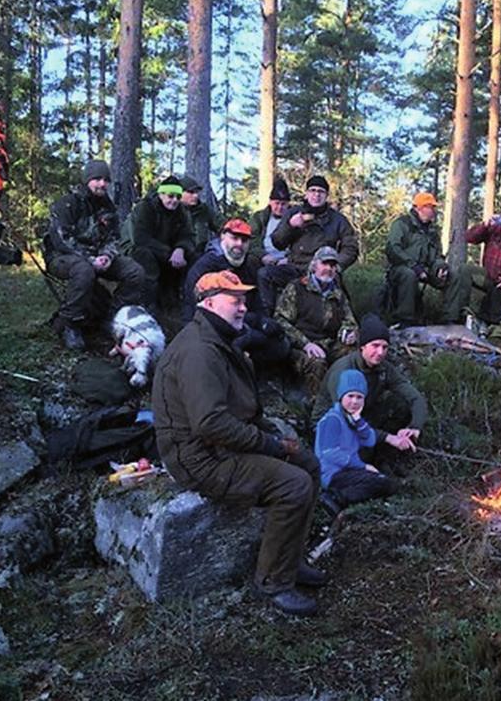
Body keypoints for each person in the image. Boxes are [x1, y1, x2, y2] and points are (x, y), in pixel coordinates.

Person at [152, 270, 324, 617]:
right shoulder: (200, 350)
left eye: (244, 299)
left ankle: (290, 559)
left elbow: (238, 409)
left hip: (221, 445)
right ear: (210, 302)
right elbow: (210, 423)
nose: (243, 307)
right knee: (294, 484)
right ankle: (273, 582)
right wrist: (271, 446)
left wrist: (275, 439)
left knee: (308, 463)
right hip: (200, 458)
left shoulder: (219, 339)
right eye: (235, 300)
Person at [44, 159, 145, 350]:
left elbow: (113, 236)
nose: (102, 184)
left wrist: (107, 255)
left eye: (106, 179)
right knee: (84, 271)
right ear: (86, 180)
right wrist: (90, 259)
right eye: (97, 179)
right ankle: (71, 325)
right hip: (62, 258)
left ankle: (112, 318)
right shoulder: (67, 204)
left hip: (98, 257)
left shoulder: (107, 206)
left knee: (135, 272)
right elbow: (62, 240)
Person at [312, 314, 424, 472]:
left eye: (385, 347)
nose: (380, 352)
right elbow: (347, 421)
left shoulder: (383, 367)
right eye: (375, 346)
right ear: (363, 346)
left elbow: (415, 398)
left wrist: (415, 427)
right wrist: (389, 438)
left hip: (361, 415)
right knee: (358, 453)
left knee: (400, 406)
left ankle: (383, 459)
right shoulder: (344, 370)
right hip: (334, 425)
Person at [181, 218, 290, 364]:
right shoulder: (204, 267)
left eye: (244, 240)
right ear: (223, 237)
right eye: (234, 238)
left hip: (240, 322)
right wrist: (254, 323)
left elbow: (257, 302)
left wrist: (264, 322)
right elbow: (199, 309)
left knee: (280, 344)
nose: (239, 244)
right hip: (209, 327)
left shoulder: (249, 266)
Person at [261, 175, 359, 312]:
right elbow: (277, 242)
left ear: (326, 196)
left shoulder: (338, 220)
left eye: (321, 191)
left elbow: (351, 248)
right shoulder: (293, 213)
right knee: (265, 274)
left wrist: (337, 265)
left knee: (337, 292)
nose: (316, 195)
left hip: (324, 269)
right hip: (295, 267)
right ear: (306, 194)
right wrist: (290, 226)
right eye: (312, 191)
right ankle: (268, 317)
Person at [314, 369, 402, 514]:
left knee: (388, 483)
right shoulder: (332, 420)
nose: (354, 401)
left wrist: (359, 421)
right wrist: (363, 466)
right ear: (341, 396)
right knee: (381, 482)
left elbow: (369, 441)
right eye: (350, 396)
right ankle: (335, 498)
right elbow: (330, 453)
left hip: (348, 470)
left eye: (359, 397)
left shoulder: (352, 418)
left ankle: (348, 496)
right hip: (332, 473)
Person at [275, 246, 358, 394]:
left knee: (353, 354)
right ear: (314, 265)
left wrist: (348, 333)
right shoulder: (297, 288)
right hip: (301, 346)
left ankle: (349, 400)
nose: (329, 269)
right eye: (325, 264)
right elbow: (280, 320)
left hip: (329, 343)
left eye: (333, 265)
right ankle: (317, 408)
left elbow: (350, 321)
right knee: (317, 363)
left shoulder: (338, 294)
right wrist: (305, 344)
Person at [384, 192, 472, 326]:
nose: (433, 211)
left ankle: (450, 319)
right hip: (401, 268)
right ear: (419, 208)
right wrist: (413, 266)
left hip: (426, 270)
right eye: (430, 207)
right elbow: (393, 249)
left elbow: (436, 256)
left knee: (453, 276)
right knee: (409, 275)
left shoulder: (432, 231)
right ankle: (405, 320)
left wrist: (441, 267)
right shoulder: (401, 224)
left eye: (433, 208)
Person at [130, 175, 194, 308]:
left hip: (168, 251)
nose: (175, 200)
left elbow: (188, 235)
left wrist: (180, 249)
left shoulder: (182, 212)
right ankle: (147, 304)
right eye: (170, 196)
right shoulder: (145, 207)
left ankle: (183, 300)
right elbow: (140, 238)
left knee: (194, 258)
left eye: (178, 196)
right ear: (161, 195)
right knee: (145, 256)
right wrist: (170, 253)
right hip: (139, 248)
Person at [249, 177, 292, 268]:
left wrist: (289, 258)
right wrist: (263, 255)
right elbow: (252, 240)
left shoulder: (294, 219)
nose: (280, 207)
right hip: (264, 257)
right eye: (277, 203)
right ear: (270, 202)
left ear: (288, 204)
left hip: (286, 259)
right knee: (250, 261)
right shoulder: (259, 217)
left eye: (283, 204)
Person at [179, 174, 223, 257]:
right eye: (191, 192)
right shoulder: (171, 211)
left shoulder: (204, 210)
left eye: (196, 192)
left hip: (200, 254)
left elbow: (222, 225)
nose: (195, 195)